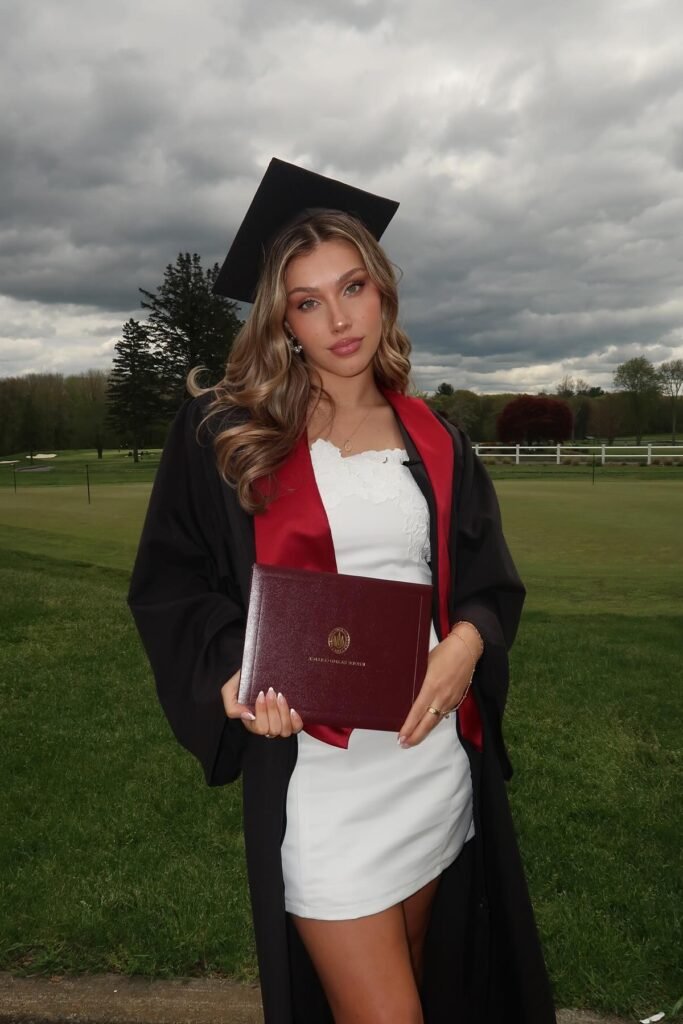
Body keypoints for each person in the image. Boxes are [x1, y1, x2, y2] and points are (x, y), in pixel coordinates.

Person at [128, 158, 556, 1024]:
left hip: (425, 761)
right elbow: (171, 581)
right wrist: (228, 674)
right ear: (281, 320)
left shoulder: (435, 439)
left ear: (381, 288)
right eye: (307, 300)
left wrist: (467, 649)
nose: (337, 317)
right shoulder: (227, 429)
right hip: (316, 779)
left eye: (351, 285)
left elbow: (484, 582)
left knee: (422, 988)